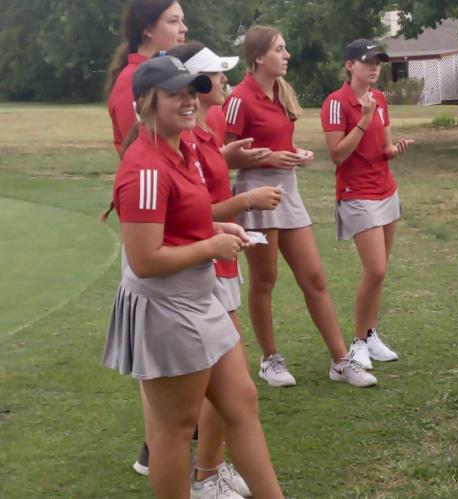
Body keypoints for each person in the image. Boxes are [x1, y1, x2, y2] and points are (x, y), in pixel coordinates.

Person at [102, 55, 284, 499]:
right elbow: (145, 259)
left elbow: (182, 220)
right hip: (167, 307)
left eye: (190, 91)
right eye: (174, 93)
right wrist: (210, 246)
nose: (188, 100)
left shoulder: (182, 148)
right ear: (147, 102)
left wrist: (218, 227)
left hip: (200, 299)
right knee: (174, 430)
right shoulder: (144, 166)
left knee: (242, 402)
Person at [223, 25, 375, 388]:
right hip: (256, 193)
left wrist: (295, 155)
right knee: (265, 279)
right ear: (259, 57)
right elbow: (226, 157)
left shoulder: (282, 92)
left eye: (285, 48)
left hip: (287, 191)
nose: (286, 55)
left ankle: (341, 361)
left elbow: (278, 143)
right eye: (279, 49)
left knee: (315, 278)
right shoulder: (240, 98)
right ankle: (269, 359)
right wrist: (270, 158)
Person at [167, 41, 283, 497]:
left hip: (221, 259)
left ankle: (209, 471)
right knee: (222, 396)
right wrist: (247, 201)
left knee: (232, 394)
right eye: (215, 74)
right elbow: (191, 214)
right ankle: (205, 476)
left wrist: (238, 160)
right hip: (204, 267)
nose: (222, 81)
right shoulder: (186, 139)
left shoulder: (207, 133)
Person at [320, 39, 414, 370]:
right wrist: (363, 118)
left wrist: (394, 150)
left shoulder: (380, 99)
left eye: (378, 62)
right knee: (375, 268)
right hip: (357, 193)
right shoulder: (336, 103)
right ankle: (358, 342)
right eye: (367, 61)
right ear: (349, 65)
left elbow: (383, 146)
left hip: (386, 190)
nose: (374, 67)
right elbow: (337, 154)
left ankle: (370, 334)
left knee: (379, 273)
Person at [105, 0, 187, 156]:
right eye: (174, 21)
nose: (184, 28)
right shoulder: (132, 81)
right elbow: (142, 153)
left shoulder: (162, 74)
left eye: (182, 21)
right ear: (148, 30)